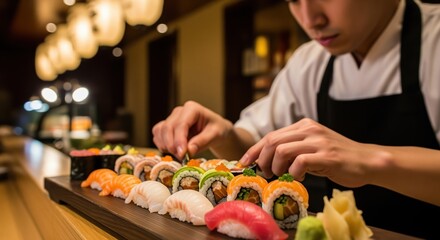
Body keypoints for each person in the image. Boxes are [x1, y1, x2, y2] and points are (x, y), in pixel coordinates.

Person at [152, 0, 440, 238]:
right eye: (293, 1)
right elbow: (252, 151)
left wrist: (372, 160)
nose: (310, 19)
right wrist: (225, 134)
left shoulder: (434, 37)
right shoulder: (310, 62)